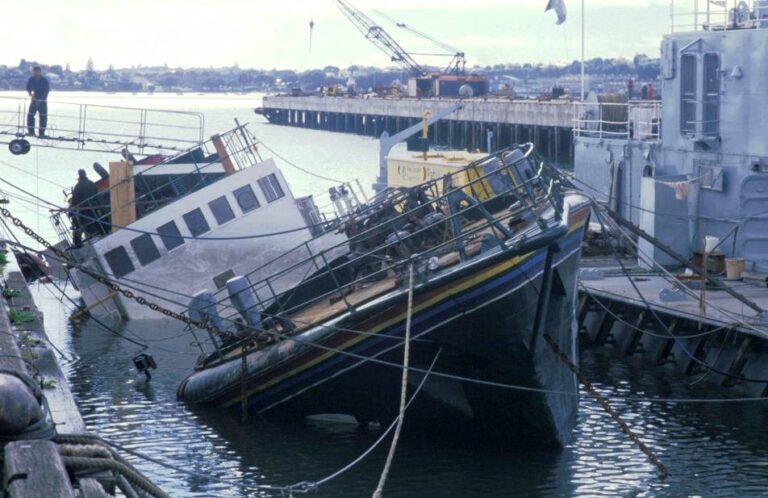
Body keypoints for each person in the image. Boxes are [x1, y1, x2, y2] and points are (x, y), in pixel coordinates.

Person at [70, 169, 99, 247]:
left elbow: (74, 201)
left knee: (80, 226)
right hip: (96, 208)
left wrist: (71, 209)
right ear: (85, 174)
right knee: (96, 223)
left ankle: (78, 243)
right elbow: (97, 194)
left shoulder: (78, 186)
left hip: (85, 211)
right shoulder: (91, 183)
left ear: (79, 175)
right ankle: (99, 232)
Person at [26, 66, 50, 137]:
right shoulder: (31, 79)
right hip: (34, 100)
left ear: (40, 72)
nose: (36, 73)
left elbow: (46, 90)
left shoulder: (44, 80)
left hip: (42, 101)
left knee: (43, 117)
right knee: (30, 115)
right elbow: (28, 87)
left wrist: (41, 99)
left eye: (37, 71)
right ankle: (31, 132)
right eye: (34, 71)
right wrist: (30, 94)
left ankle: (41, 133)